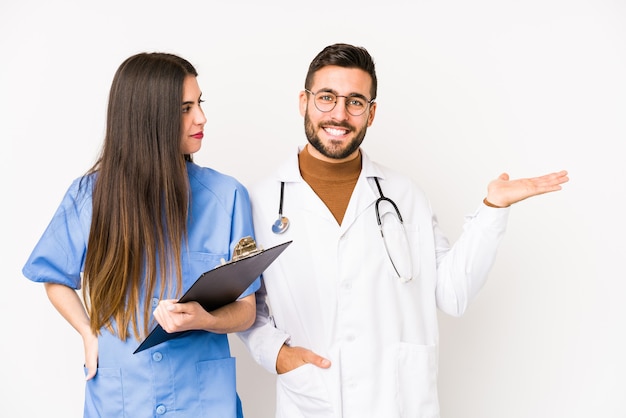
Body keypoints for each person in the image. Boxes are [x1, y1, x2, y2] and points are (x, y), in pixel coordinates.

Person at [237, 43, 569, 417]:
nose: (340, 114)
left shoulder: (404, 195)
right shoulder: (260, 201)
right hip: (312, 398)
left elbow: (453, 294)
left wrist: (493, 209)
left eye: (356, 102)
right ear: (304, 101)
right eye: (327, 97)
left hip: (396, 402)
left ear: (371, 112)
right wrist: (278, 355)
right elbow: (249, 306)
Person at [22, 52, 259, 417]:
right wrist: (87, 334)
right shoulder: (89, 197)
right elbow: (53, 277)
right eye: (185, 108)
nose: (201, 118)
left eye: (199, 103)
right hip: (122, 396)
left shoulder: (227, 197)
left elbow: (246, 310)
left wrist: (205, 319)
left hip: (203, 401)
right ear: (149, 118)